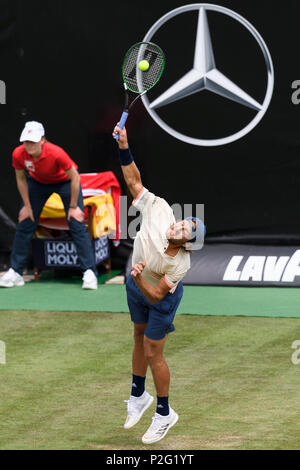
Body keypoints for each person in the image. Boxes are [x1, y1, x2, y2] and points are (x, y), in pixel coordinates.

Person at [112, 123, 205, 444]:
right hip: (135, 284)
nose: (179, 226)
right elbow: (133, 181)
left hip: (156, 297)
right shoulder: (160, 208)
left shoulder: (180, 264)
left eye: (185, 230)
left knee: (154, 353)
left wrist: (137, 277)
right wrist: (124, 145)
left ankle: (165, 413)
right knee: (137, 336)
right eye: (183, 221)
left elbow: (154, 296)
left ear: (187, 244)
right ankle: (138, 396)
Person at [0, 121, 98, 290]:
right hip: (37, 183)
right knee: (25, 221)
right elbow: (21, 178)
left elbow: (75, 177)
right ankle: (16, 272)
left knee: (77, 223)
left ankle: (89, 272)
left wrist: (73, 207)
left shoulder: (56, 153)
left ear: (42, 140)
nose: (28, 145)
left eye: (33, 141)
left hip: (65, 183)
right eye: (26, 141)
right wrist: (27, 206)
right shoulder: (18, 153)